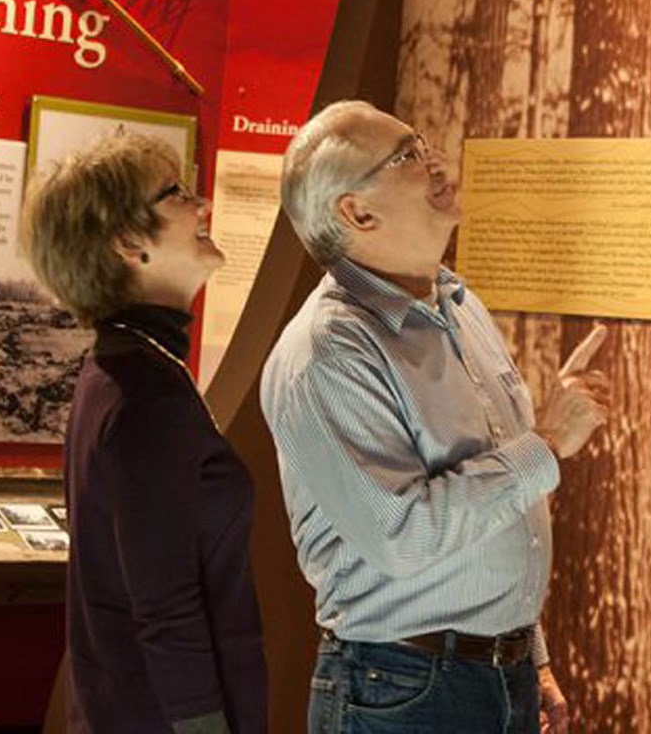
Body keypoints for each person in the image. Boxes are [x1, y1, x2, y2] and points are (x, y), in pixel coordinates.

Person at [260, 100, 608, 733]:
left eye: (422, 143)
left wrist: (528, 652)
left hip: (493, 675)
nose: (438, 160)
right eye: (408, 156)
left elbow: (492, 522)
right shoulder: (328, 352)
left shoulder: (456, 304)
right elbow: (404, 535)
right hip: (401, 690)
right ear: (356, 212)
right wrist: (550, 442)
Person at [24, 131, 267, 734]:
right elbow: (164, 604)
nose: (202, 203)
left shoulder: (124, 370)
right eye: (177, 193)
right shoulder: (145, 394)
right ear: (129, 243)